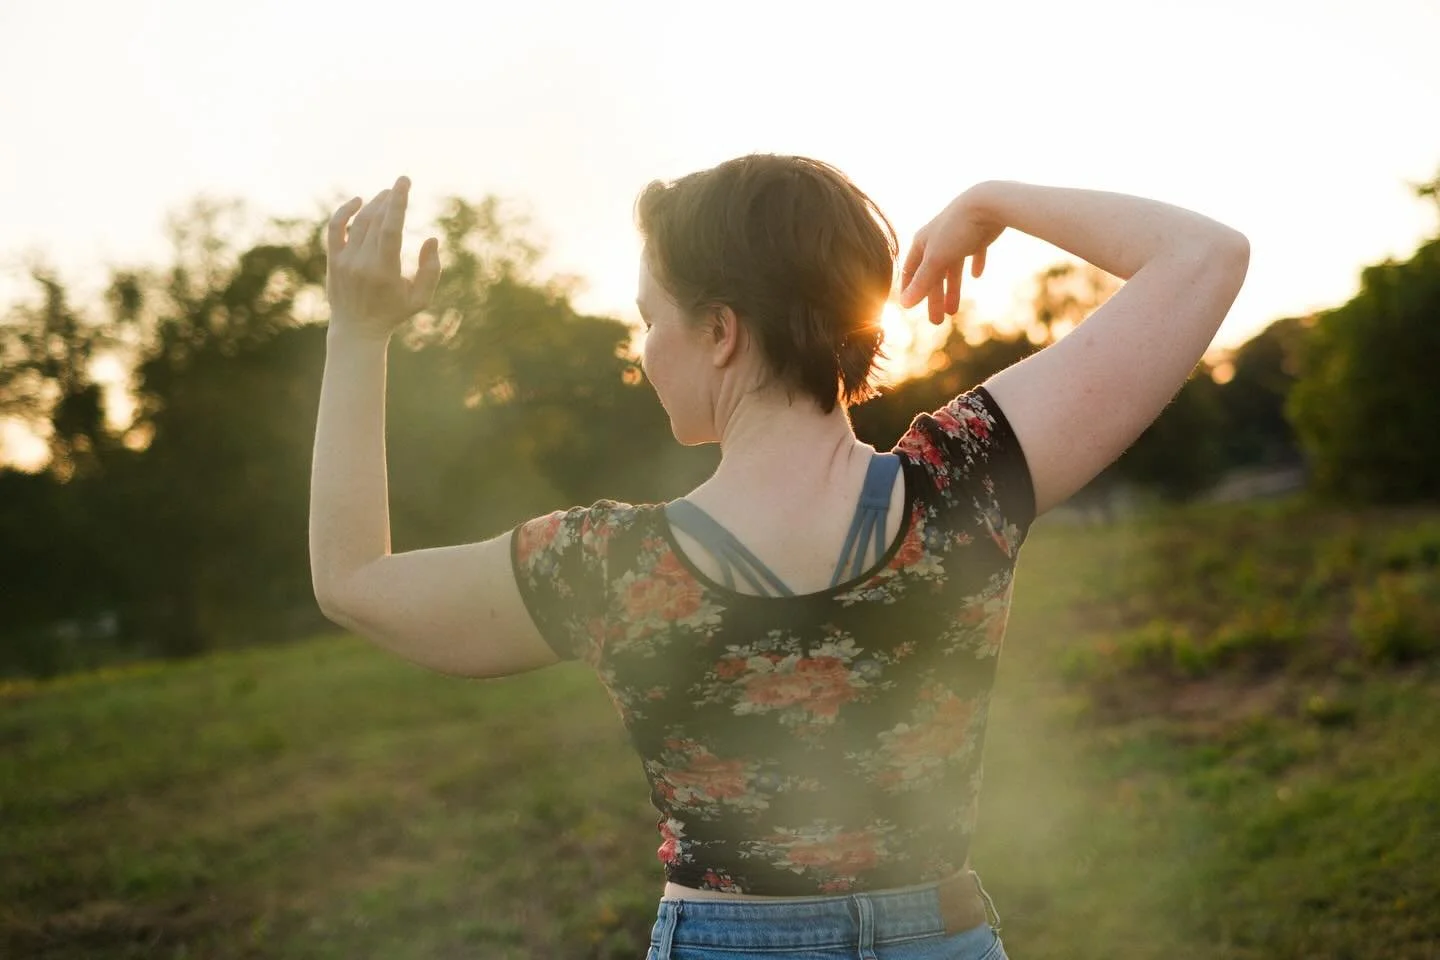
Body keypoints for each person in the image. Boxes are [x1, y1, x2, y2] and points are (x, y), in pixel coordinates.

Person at [309, 157, 1249, 959]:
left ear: (720, 331)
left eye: (651, 318)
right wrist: (991, 201)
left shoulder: (608, 565)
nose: (644, 353)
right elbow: (1203, 256)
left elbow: (353, 582)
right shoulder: (964, 482)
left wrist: (358, 333)